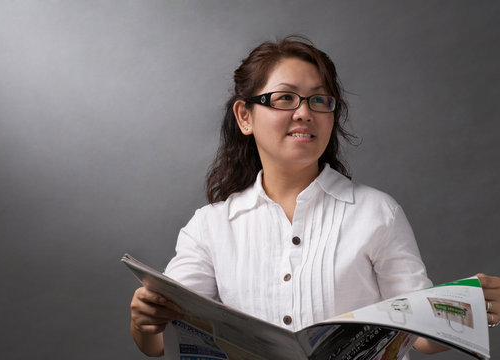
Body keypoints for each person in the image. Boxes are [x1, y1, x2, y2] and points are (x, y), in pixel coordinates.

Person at [129, 35, 500, 357]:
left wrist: (467, 311)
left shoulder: (377, 212)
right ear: (245, 116)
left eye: (319, 100)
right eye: (285, 98)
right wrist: (146, 321)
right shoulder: (209, 226)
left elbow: (421, 338)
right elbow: (160, 342)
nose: (304, 113)